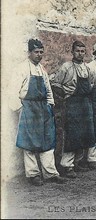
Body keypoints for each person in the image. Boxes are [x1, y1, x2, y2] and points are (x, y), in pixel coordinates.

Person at [11, 39, 67, 186]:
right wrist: (20, 109)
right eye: (36, 52)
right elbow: (12, 92)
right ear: (29, 52)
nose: (39, 55)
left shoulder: (42, 69)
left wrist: (50, 105)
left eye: (41, 52)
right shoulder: (21, 68)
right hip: (28, 108)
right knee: (29, 143)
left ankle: (50, 173)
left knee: (48, 140)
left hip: (43, 108)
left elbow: (48, 90)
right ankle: (33, 174)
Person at [50, 41, 95, 178]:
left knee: (84, 134)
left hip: (85, 103)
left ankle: (78, 162)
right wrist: (65, 94)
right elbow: (55, 83)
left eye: (82, 51)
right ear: (72, 52)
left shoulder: (88, 69)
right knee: (72, 134)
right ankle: (67, 165)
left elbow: (91, 83)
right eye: (77, 51)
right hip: (72, 103)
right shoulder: (66, 67)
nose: (80, 54)